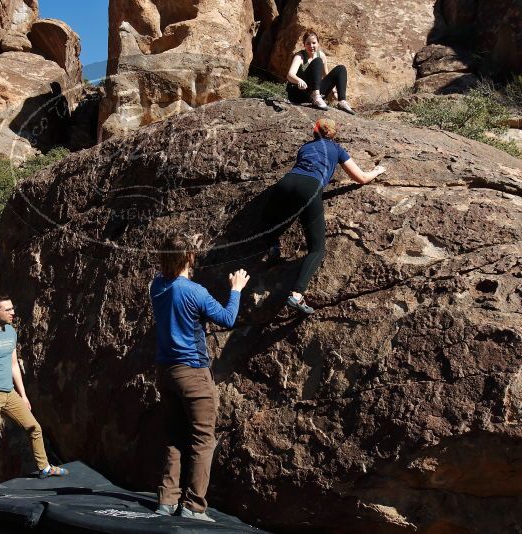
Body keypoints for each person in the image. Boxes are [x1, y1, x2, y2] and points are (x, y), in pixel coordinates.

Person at [150, 234, 250, 523]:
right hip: (192, 372)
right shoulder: (195, 291)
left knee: (174, 436)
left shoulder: (156, 286)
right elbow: (228, 319)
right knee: (203, 439)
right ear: (190, 258)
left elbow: (169, 267)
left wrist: (185, 246)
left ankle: (167, 501)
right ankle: (194, 506)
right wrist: (237, 289)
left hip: (165, 372)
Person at [262, 118, 386, 314]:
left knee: (273, 217)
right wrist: (377, 171)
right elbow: (361, 178)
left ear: (314, 131)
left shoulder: (305, 147)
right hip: (309, 187)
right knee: (317, 249)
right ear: (333, 134)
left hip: (286, 183)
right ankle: (296, 295)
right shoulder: (337, 149)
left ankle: (272, 245)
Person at [0, 291, 68, 484]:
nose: (13, 312)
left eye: (12, 308)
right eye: (8, 309)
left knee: (34, 428)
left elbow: (14, 365)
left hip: (9, 392)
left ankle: (45, 468)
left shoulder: (11, 332)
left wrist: (23, 395)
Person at [286, 30, 355, 114]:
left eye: (314, 43)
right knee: (317, 61)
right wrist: (298, 80)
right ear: (304, 45)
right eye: (308, 43)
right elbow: (290, 75)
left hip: (314, 92)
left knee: (341, 68)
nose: (311, 46)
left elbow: (326, 75)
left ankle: (342, 101)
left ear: (318, 43)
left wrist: (334, 92)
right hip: (299, 93)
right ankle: (316, 97)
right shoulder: (300, 56)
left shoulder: (321, 55)